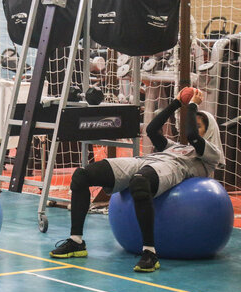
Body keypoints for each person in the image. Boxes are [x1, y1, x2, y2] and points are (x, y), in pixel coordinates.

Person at [50, 88, 224, 272]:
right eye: (194, 124)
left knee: (139, 182)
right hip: (145, 161)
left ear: (210, 130)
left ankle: (149, 253)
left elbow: (191, 136)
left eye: (200, 126)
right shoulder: (176, 147)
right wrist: (176, 102)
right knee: (81, 175)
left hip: (173, 169)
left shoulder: (211, 154)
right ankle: (76, 241)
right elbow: (151, 130)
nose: (195, 128)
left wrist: (192, 105)